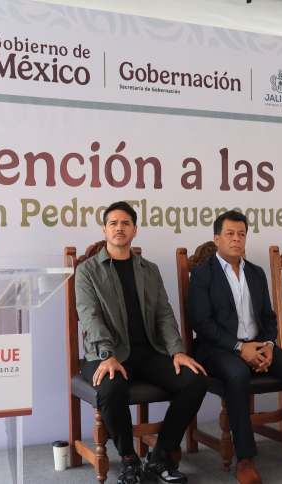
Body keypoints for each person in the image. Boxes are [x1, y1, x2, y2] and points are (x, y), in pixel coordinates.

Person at [187, 210, 282, 484]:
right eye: (230, 234)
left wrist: (268, 345)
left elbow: (269, 318)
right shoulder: (201, 274)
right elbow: (202, 323)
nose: (236, 239)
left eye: (241, 234)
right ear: (217, 238)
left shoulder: (255, 273)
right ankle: (244, 458)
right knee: (237, 374)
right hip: (217, 349)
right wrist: (238, 348)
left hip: (258, 344)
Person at [76, 201, 208, 484]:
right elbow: (90, 317)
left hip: (147, 352)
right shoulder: (87, 271)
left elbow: (163, 313)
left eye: (125, 223)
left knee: (194, 380)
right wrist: (107, 354)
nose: (119, 228)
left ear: (135, 230)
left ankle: (160, 455)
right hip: (104, 355)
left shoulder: (149, 269)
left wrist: (177, 351)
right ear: (104, 229)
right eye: (113, 223)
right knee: (111, 388)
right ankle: (128, 459)